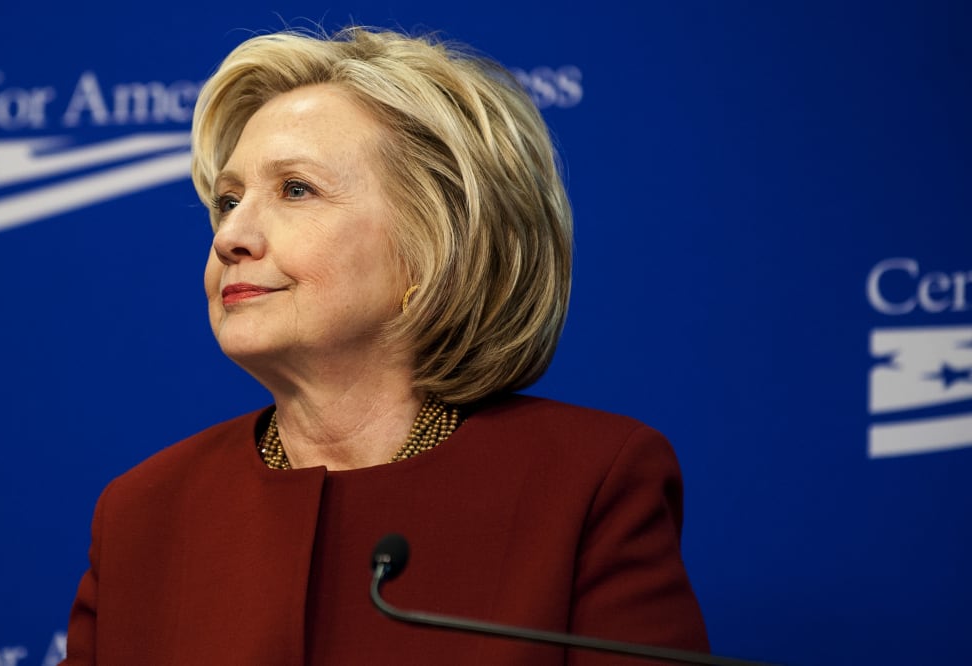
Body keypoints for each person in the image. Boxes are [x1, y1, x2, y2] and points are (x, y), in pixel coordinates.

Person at [62, 26, 708, 665]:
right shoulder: (143, 512)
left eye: (295, 189)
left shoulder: (584, 483)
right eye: (229, 200)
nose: (231, 236)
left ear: (432, 245)